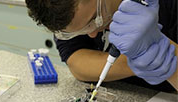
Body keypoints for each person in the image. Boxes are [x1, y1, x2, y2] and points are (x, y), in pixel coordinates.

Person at [25, 0, 177, 91]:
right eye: (81, 31)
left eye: (94, 19)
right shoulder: (63, 10)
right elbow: (76, 61)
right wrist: (139, 61)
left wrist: (170, 63)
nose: (91, 34)